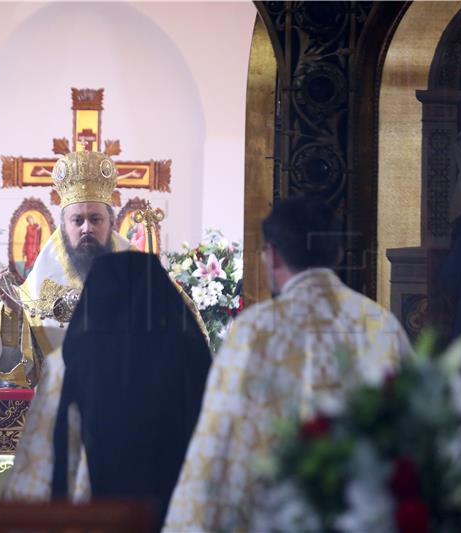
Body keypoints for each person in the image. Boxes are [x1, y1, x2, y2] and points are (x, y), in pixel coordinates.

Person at [163, 195, 413, 532]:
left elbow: (218, 441)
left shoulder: (253, 330)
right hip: (364, 516)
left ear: (273, 255)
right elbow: (412, 429)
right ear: (338, 254)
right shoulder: (381, 324)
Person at [4, 252, 211, 531]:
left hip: (95, 518)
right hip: (177, 516)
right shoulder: (191, 358)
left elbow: (41, 462)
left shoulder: (67, 362)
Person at [0, 149, 131, 387]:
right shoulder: (41, 278)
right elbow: (18, 371)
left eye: (95, 219)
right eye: (77, 220)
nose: (86, 228)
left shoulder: (143, 274)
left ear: (110, 222)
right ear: (64, 225)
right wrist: (13, 313)